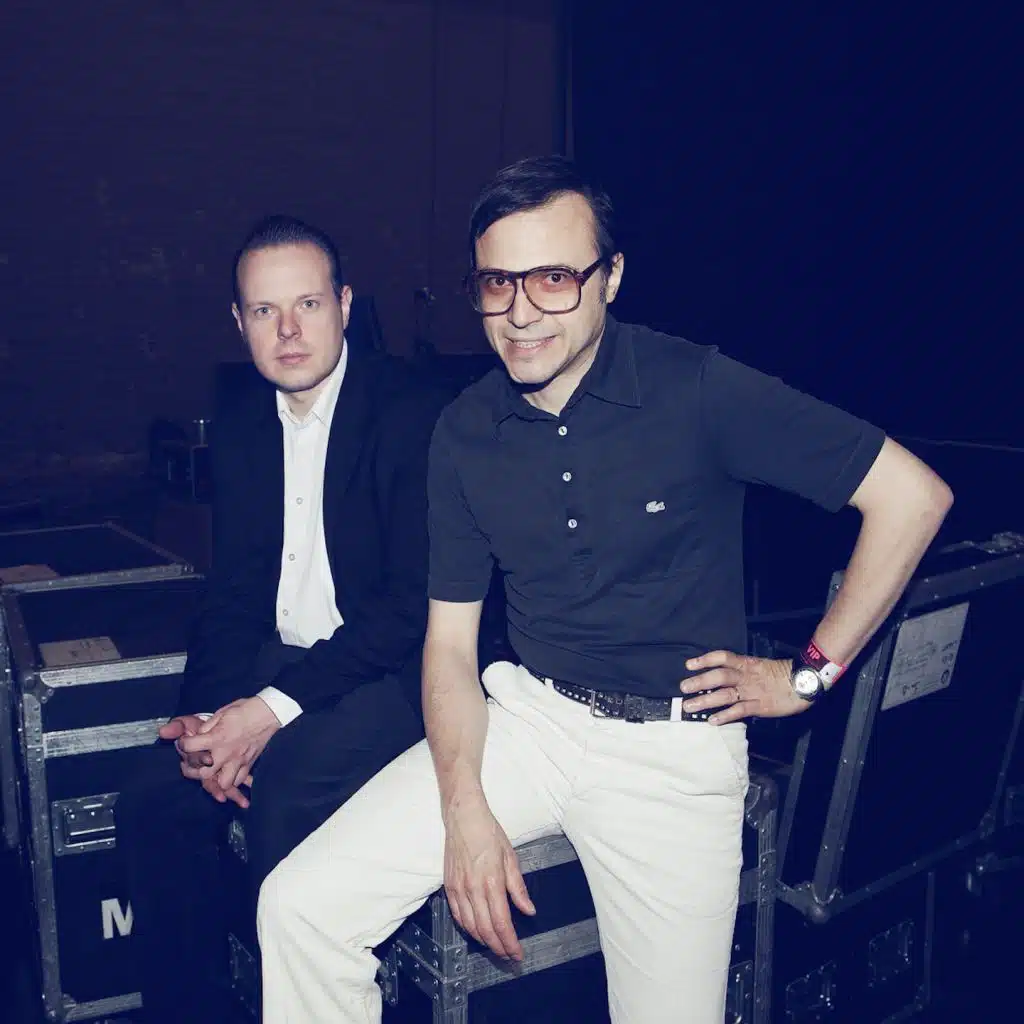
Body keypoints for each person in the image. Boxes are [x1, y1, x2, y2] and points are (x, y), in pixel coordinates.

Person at [256, 158, 953, 1023]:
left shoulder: (694, 387)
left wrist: (806, 676)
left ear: (610, 277)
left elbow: (911, 497)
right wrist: (464, 810)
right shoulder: (465, 430)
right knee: (299, 909)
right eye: (498, 283)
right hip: (532, 719)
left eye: (553, 278)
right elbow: (449, 646)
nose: (521, 312)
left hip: (672, 754)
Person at [116, 215, 451, 1023]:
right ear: (240, 322)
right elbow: (233, 593)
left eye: (308, 304)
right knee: (156, 800)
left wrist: (267, 713)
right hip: (284, 660)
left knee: (288, 794)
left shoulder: (412, 412)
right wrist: (206, 722)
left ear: (345, 305)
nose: (289, 331)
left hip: (393, 673)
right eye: (266, 311)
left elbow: (408, 609)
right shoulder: (240, 417)